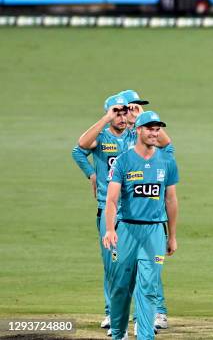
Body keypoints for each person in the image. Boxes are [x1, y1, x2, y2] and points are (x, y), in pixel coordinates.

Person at [103, 111, 179, 340]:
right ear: (138, 130)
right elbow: (112, 199)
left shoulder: (166, 161)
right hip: (126, 230)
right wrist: (109, 229)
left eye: (157, 129)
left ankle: (145, 336)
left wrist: (172, 236)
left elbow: (171, 200)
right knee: (120, 288)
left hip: (154, 232)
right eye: (150, 128)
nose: (154, 133)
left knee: (148, 287)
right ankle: (118, 333)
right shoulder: (124, 160)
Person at [71, 94, 135, 334]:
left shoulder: (136, 135)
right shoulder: (102, 137)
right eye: (116, 112)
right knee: (112, 264)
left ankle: (140, 315)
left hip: (134, 211)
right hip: (109, 210)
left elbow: (163, 145)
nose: (121, 116)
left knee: (137, 265)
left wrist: (135, 119)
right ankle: (112, 313)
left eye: (124, 111)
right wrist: (91, 173)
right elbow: (80, 147)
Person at [118, 89, 171, 332]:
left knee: (150, 273)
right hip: (125, 218)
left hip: (152, 223)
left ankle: (154, 314)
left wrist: (144, 121)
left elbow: (167, 147)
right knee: (123, 276)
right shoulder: (120, 139)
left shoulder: (151, 137)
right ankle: (117, 318)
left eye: (138, 106)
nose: (134, 109)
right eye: (131, 106)